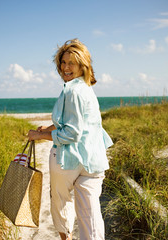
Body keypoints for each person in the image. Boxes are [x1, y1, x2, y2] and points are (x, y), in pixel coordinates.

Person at [28, 39, 113, 240]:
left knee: (60, 202)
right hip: (93, 159)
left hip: (68, 159)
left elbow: (72, 133)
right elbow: (77, 122)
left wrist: (40, 135)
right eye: (63, 62)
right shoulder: (86, 88)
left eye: (71, 63)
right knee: (90, 214)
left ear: (82, 65)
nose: (66, 67)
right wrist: (48, 127)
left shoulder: (71, 90)